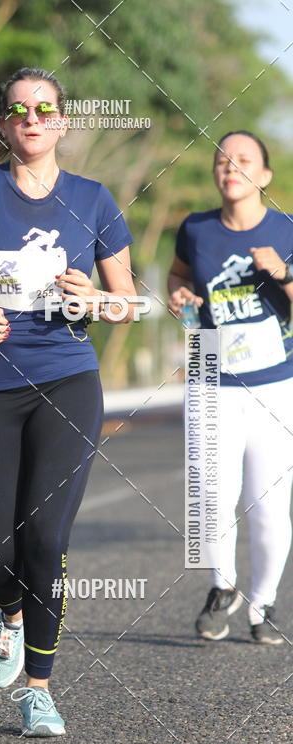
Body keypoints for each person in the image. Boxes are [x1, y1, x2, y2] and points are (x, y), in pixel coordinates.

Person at [0, 67, 137, 735]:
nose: (31, 119)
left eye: (43, 109)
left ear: (61, 122)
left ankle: (39, 689)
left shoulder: (93, 200)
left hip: (67, 380)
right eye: (18, 110)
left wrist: (96, 298)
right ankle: (9, 611)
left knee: (45, 536)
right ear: (5, 125)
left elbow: (129, 303)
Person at [167, 130, 293, 645]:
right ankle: (223, 588)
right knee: (209, 496)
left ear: (264, 175)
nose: (230, 166)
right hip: (208, 374)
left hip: (274, 383)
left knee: (268, 505)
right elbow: (179, 275)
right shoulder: (196, 229)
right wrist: (179, 293)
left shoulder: (287, 229)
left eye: (243, 159)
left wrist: (282, 272)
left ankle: (263, 604)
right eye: (222, 159)